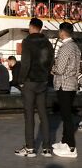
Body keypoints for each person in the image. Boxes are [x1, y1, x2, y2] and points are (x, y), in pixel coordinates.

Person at [15, 18, 54, 158]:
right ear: (41, 28)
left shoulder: (27, 42)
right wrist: (45, 74)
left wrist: (20, 80)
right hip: (42, 82)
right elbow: (51, 61)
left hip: (30, 82)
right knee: (44, 115)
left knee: (29, 115)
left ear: (31, 27)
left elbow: (25, 63)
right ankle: (47, 148)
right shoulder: (47, 43)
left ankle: (30, 148)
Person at [52, 22, 81, 158]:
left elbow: (59, 69)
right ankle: (64, 142)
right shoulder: (75, 47)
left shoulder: (65, 47)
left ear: (62, 32)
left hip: (63, 84)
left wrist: (52, 69)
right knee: (67, 114)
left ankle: (71, 147)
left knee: (66, 116)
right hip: (72, 84)